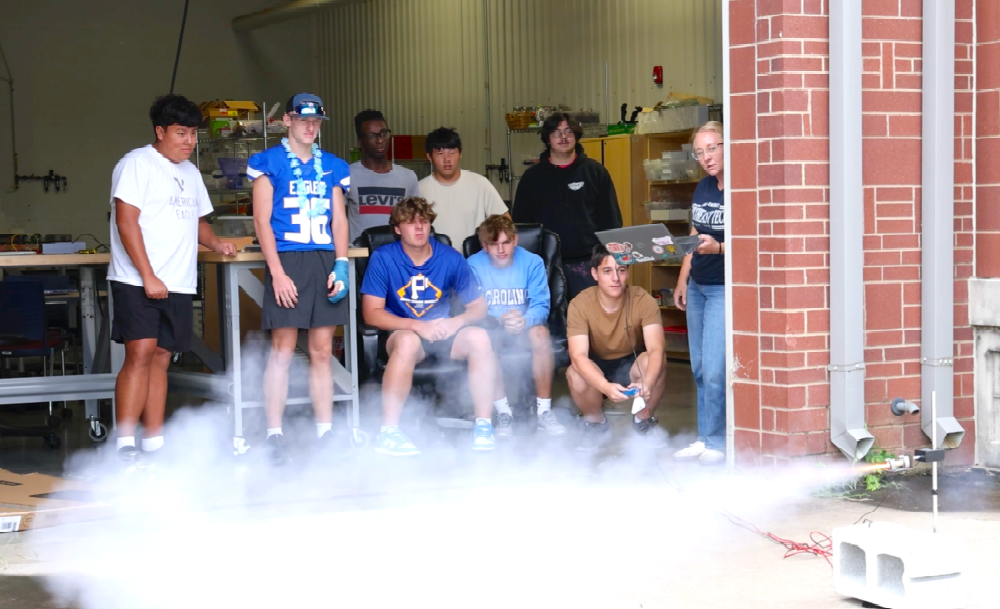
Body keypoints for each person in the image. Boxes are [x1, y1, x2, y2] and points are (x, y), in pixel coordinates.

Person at [108, 94, 236, 465]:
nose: (189, 142)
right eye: (181, 133)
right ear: (160, 131)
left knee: (163, 357)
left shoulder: (191, 173)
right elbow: (125, 221)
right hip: (137, 279)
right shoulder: (136, 164)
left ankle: (154, 442)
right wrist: (147, 275)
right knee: (141, 352)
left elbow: (198, 222)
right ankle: (125, 445)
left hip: (178, 281)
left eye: (193, 134)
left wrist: (217, 243)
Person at [248, 93, 352, 466]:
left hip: (324, 257)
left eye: (317, 122)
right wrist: (276, 273)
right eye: (304, 120)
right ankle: (274, 432)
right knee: (282, 349)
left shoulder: (334, 166)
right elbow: (262, 221)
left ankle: (325, 431)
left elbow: (339, 219)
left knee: (322, 350)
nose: (310, 127)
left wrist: (341, 263)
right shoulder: (267, 163)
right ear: (287, 121)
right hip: (287, 258)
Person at [360, 197, 497, 456]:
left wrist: (456, 321)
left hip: (444, 332)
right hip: (405, 332)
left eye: (424, 222)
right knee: (407, 341)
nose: (419, 228)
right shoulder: (383, 257)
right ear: (397, 229)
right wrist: (417, 326)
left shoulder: (450, 257)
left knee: (479, 337)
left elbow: (479, 307)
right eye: (411, 223)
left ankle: (483, 425)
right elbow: (371, 314)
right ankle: (388, 433)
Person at [466, 215, 566, 437]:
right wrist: (500, 318)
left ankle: (544, 412)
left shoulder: (533, 262)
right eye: (494, 244)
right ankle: (504, 412)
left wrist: (525, 320)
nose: (501, 249)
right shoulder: (473, 264)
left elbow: (541, 304)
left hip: (525, 325)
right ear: (485, 246)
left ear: (515, 240)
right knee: (484, 339)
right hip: (491, 325)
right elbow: (473, 306)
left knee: (541, 334)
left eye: (506, 242)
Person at [566, 245, 667, 452]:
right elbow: (578, 356)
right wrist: (604, 387)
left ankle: (642, 422)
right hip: (596, 366)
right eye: (607, 271)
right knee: (574, 372)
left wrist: (647, 383)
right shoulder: (579, 304)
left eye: (621, 270)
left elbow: (657, 348)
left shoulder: (643, 299)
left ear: (628, 272)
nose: (616, 278)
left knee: (656, 362)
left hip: (632, 362)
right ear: (594, 273)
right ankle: (595, 424)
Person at [511, 113, 622, 301]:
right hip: (545, 264)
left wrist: (607, 262)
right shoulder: (531, 178)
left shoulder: (595, 172)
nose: (563, 137)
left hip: (588, 264)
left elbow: (612, 220)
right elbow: (521, 226)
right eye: (556, 132)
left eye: (568, 131)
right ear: (547, 139)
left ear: (576, 136)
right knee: (550, 324)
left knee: (590, 322)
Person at [672, 121, 726, 466]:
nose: (706, 157)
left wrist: (718, 248)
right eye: (700, 152)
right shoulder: (703, 187)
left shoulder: (741, 189)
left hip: (723, 289)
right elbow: (694, 234)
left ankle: (718, 440)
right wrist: (682, 278)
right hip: (698, 286)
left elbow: (756, 243)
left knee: (715, 367)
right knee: (698, 369)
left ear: (727, 145)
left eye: (713, 148)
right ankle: (705, 437)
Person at [417, 127, 509, 249]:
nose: (447, 159)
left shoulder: (480, 183)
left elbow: (505, 222)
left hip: (474, 260)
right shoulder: (419, 189)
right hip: (435, 263)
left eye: (452, 152)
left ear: (460, 154)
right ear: (429, 156)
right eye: (440, 153)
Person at [346, 109, 419, 243]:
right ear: (360, 141)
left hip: (398, 258)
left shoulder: (408, 177)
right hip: (360, 259)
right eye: (372, 135)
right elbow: (337, 221)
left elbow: (414, 222)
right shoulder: (346, 175)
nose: (380, 140)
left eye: (384, 133)